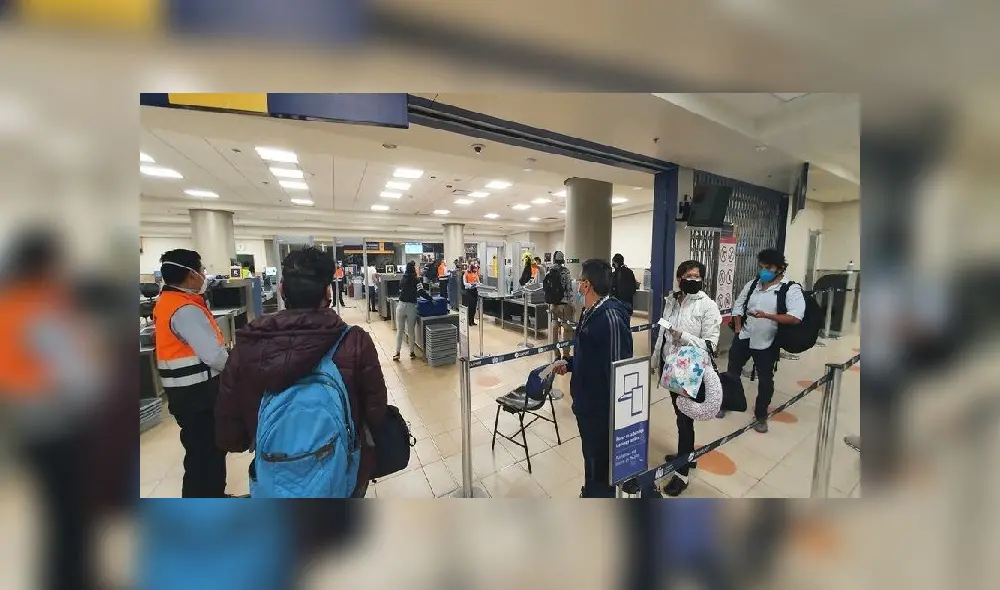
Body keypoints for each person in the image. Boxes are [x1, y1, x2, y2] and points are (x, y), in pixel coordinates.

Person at [215, 247, 388, 498]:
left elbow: (230, 437)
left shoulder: (248, 345)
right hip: (343, 470)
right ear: (328, 292)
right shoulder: (353, 341)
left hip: (274, 475)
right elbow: (376, 412)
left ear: (283, 290)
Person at [553, 259, 633, 498]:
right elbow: (590, 355)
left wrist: (615, 416)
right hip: (586, 403)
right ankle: (591, 491)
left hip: (602, 411)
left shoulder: (611, 318)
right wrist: (569, 365)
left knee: (601, 461)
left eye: (579, 280)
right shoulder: (590, 312)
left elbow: (620, 369)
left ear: (587, 285)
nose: (577, 284)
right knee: (591, 457)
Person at [154, 249, 229, 497]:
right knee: (206, 455)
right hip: (198, 396)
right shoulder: (185, 310)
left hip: (185, 394)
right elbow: (214, 356)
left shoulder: (168, 302)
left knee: (202, 452)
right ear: (190, 275)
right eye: (201, 270)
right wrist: (239, 371)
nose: (204, 275)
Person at [650, 260, 722, 496]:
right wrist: (655, 359)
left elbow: (711, 344)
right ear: (679, 278)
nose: (693, 279)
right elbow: (662, 331)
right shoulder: (671, 300)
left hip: (689, 369)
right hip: (670, 366)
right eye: (688, 275)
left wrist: (685, 337)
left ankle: (682, 473)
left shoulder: (708, 306)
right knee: (680, 416)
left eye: (697, 276)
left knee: (685, 419)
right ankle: (686, 455)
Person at [723, 248, 805, 433]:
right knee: (731, 372)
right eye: (761, 267)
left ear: (780, 268)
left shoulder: (790, 288)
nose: (763, 271)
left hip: (768, 341)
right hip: (744, 335)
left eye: (768, 268)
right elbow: (738, 305)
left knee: (766, 380)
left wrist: (767, 316)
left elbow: (795, 317)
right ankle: (727, 403)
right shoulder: (753, 284)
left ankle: (760, 415)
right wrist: (737, 328)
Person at [394, 261, 430, 361]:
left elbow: (400, 290)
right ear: (414, 269)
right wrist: (431, 299)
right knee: (411, 332)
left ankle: (397, 353)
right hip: (411, 307)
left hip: (400, 306)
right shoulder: (416, 279)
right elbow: (421, 292)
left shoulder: (403, 278)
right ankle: (411, 353)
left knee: (400, 331)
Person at [545, 251, 575, 360]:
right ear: (562, 259)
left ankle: (556, 354)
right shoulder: (565, 271)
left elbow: (547, 289)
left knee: (554, 329)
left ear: (554, 259)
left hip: (553, 305)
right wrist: (572, 303)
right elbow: (569, 288)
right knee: (567, 329)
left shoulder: (549, 271)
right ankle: (566, 355)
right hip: (564, 305)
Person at [463, 261, 481, 326]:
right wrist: (470, 285)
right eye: (474, 268)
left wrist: (478, 284)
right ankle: (469, 321)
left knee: (474, 307)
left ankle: (472, 321)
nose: (475, 270)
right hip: (469, 291)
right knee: (470, 306)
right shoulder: (466, 273)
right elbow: (464, 283)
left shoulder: (475, 273)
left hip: (475, 291)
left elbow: (478, 281)